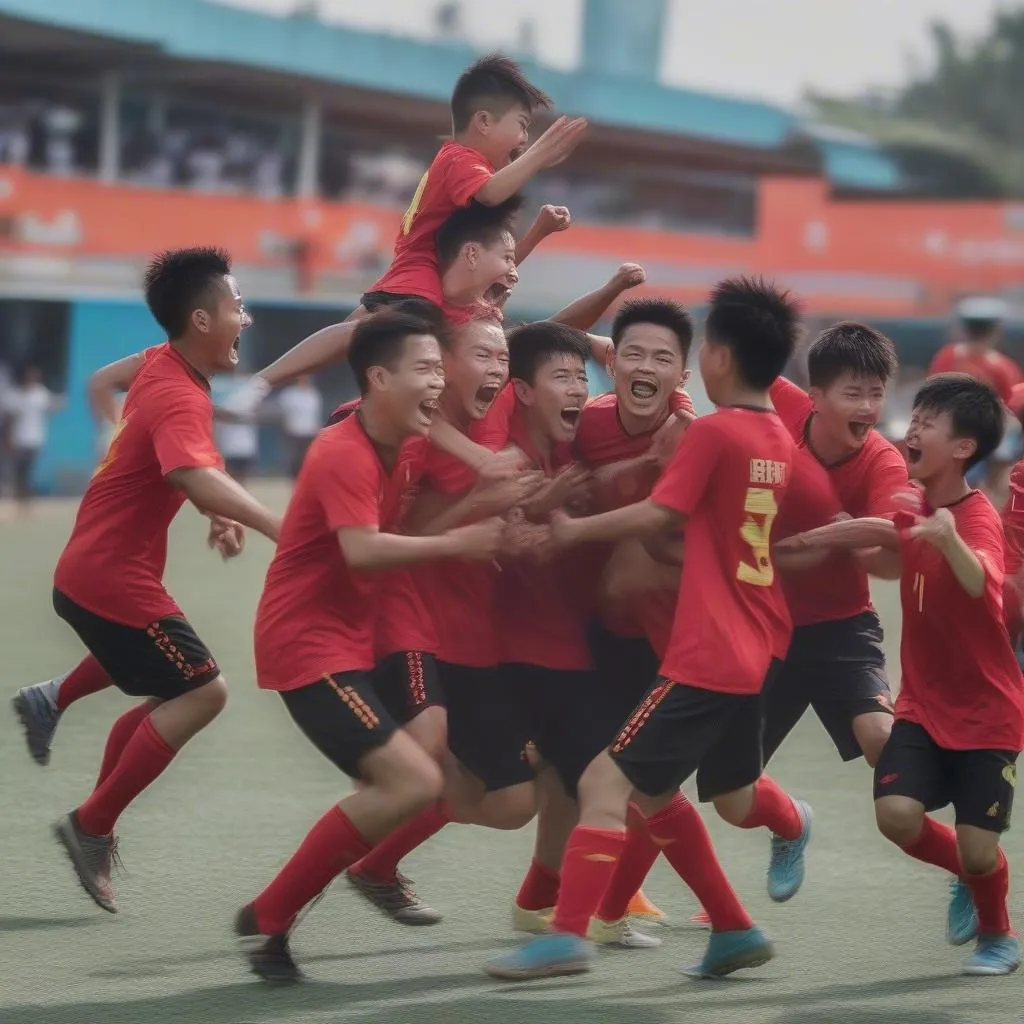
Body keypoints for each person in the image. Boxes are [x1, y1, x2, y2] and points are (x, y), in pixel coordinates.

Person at [486, 277, 807, 982]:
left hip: (705, 650)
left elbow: (660, 512)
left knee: (603, 781)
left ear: (712, 358)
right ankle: (732, 927)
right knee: (660, 795)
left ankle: (565, 936)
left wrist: (571, 529)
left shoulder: (711, 431)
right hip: (754, 643)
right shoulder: (777, 437)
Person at [235, 310, 505, 983]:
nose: (439, 383)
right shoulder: (340, 450)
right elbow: (361, 552)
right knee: (414, 781)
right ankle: (271, 912)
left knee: (418, 769)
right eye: (425, 369)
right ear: (377, 378)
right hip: (307, 646)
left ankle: (279, 914)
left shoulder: (409, 436)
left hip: (359, 637)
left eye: (442, 369)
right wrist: (460, 543)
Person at [38, 247, 282, 914]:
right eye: (237, 307)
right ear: (201, 319)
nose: (247, 318)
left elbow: (167, 455)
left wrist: (212, 510)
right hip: (110, 578)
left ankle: (92, 811)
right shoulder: (177, 389)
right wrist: (273, 524)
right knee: (205, 692)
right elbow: (188, 470)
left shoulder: (161, 364)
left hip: (94, 572)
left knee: (170, 693)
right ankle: (90, 824)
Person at [780, 373, 1023, 976]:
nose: (910, 429)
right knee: (896, 816)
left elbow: (982, 584)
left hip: (988, 714)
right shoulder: (916, 505)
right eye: (914, 417)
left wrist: (949, 542)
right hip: (921, 704)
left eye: (928, 423)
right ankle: (967, 875)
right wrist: (814, 538)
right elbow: (883, 535)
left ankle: (998, 931)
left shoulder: (973, 517)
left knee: (977, 847)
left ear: (963, 448)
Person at [762, 323, 906, 866]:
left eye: (876, 392)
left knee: (882, 740)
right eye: (853, 392)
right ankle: (790, 823)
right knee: (732, 778)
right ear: (816, 397)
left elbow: (886, 540)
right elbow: (736, 370)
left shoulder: (883, 461)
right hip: (767, 623)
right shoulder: (782, 402)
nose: (868, 405)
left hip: (843, 627)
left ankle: (970, 862)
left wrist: (841, 535)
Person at [359, 53, 584, 315]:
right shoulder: (462, 161)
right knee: (354, 331)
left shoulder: (468, 172)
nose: (524, 139)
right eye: (522, 126)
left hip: (426, 284)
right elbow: (489, 194)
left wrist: (540, 231)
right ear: (484, 122)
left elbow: (496, 269)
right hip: (418, 281)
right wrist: (539, 154)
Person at [928, 298, 1022, 499]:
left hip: (949, 437)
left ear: (964, 328)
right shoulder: (1003, 367)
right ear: (996, 331)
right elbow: (1012, 408)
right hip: (985, 441)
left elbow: (930, 396)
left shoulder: (947, 357)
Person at [4, 365, 62, 511]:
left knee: (28, 468)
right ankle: (19, 497)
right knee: (19, 468)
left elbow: (52, 405)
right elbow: (9, 418)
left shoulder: (40, 393)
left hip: (35, 438)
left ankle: (25, 499)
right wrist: (8, 437)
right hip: (20, 438)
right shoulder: (17, 395)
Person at [276, 375, 323, 478]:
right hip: (294, 432)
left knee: (309, 459)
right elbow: (282, 413)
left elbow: (315, 415)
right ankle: (295, 481)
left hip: (310, 433)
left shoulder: (312, 394)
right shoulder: (289, 394)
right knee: (295, 460)